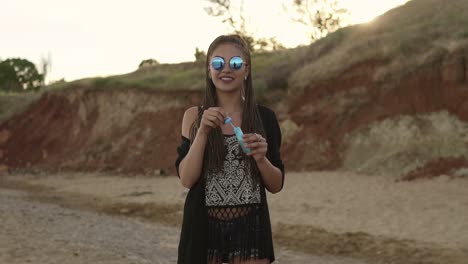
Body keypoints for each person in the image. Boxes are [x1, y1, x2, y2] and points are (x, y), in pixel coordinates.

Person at [175, 34, 285, 264]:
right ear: (209, 70)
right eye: (218, 63)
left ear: (246, 70)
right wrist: (203, 131)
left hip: (250, 228)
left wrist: (261, 159)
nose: (226, 69)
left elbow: (276, 185)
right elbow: (186, 178)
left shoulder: (264, 117)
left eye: (235, 63)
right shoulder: (193, 117)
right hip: (203, 228)